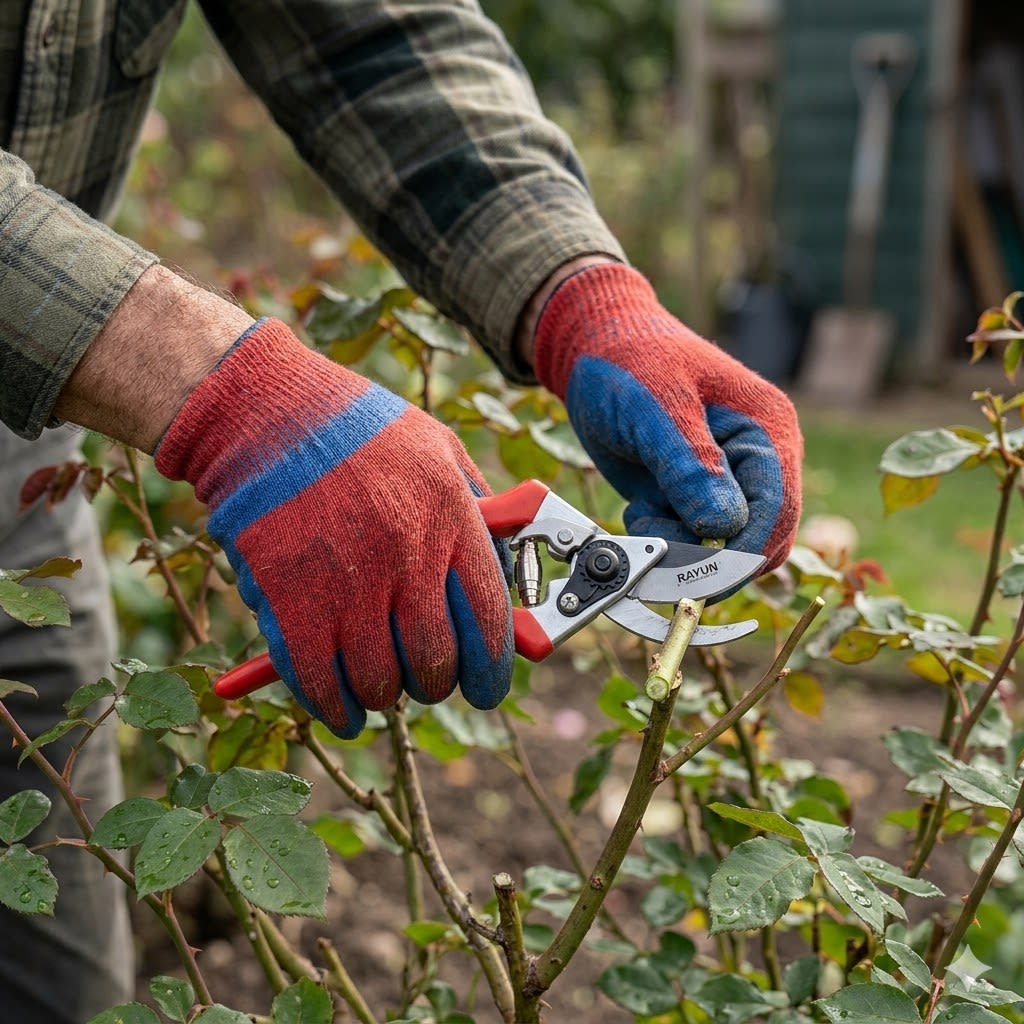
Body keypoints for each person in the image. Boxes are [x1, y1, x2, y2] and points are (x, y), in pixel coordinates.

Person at [0, 2, 803, 1020]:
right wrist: (219, 387)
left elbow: (374, 35)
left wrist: (580, 291)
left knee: (58, 982)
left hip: (15, 469)